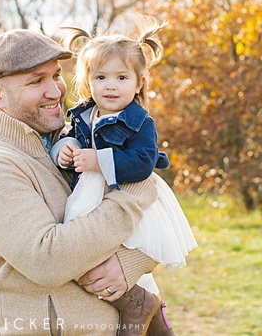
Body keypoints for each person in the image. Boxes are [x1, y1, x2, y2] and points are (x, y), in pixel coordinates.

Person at [0, 29, 170, 335]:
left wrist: (130, 261)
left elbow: (158, 221)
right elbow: (49, 260)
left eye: (55, 75)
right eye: (35, 81)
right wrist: (136, 192)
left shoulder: (75, 137)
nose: (55, 91)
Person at [52, 25, 197, 335]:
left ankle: (137, 305)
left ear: (139, 82)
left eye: (121, 78)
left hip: (127, 195)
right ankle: (150, 314)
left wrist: (100, 161)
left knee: (104, 258)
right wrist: (64, 148)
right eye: (101, 77)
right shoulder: (82, 115)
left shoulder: (140, 121)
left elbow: (143, 163)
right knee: (82, 255)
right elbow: (68, 138)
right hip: (91, 197)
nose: (111, 86)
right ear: (88, 82)